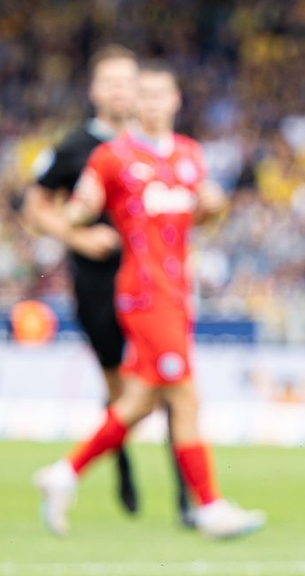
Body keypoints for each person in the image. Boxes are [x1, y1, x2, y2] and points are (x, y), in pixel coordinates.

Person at [33, 63, 265, 540]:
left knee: (139, 400)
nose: (154, 103)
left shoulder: (189, 154)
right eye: (145, 96)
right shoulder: (113, 156)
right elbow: (79, 207)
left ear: (176, 99)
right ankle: (209, 505)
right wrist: (74, 219)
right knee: (184, 396)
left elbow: (193, 218)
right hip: (142, 291)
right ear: (134, 104)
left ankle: (64, 473)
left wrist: (214, 206)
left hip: (179, 291)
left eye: (162, 94)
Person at [23, 45, 191, 525]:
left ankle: (186, 494)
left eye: (129, 82)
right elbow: (34, 208)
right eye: (111, 82)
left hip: (156, 284)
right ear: (94, 91)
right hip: (98, 283)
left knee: (164, 384)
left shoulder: (161, 147)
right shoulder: (76, 146)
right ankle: (122, 468)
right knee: (125, 385)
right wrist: (77, 234)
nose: (122, 91)